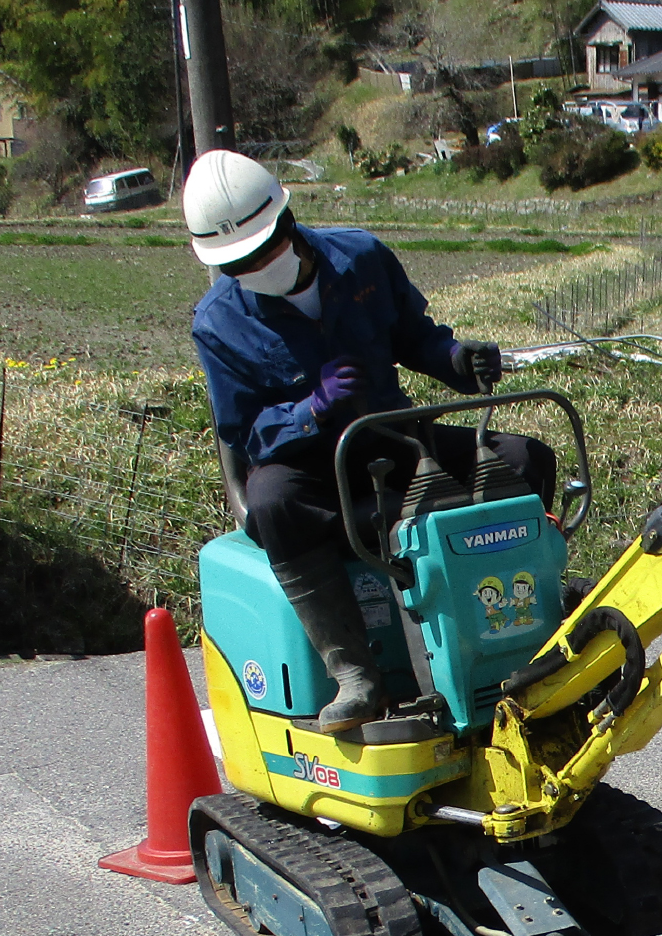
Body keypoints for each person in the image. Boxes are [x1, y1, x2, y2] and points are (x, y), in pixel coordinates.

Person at [185, 148, 553, 733]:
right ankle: (356, 675)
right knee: (272, 502)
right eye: (239, 265)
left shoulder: (360, 258)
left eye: (262, 252)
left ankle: (527, 621)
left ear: (286, 222)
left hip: (392, 437)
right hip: (307, 465)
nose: (254, 267)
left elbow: (416, 337)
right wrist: (310, 409)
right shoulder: (218, 322)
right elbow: (243, 429)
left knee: (524, 459)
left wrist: (457, 360)